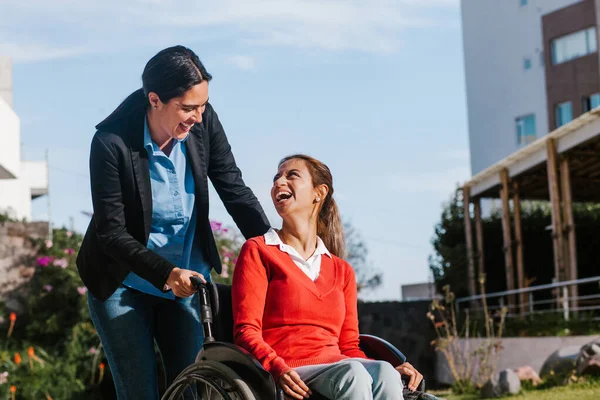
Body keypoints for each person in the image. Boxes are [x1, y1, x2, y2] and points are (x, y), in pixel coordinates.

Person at [76, 45, 270, 399]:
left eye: (203, 105)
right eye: (188, 108)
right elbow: (111, 232)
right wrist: (165, 274)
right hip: (123, 284)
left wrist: (275, 251)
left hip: (188, 280)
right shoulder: (110, 143)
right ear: (155, 100)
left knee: (192, 389)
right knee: (140, 393)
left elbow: (233, 187)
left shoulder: (203, 123)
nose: (198, 116)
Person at [231, 154, 424, 400]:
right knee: (352, 373)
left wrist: (382, 370)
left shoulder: (342, 270)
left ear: (318, 193)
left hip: (340, 367)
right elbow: (246, 331)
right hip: (288, 370)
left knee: (385, 371)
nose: (279, 182)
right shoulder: (258, 250)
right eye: (276, 177)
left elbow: (349, 346)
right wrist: (275, 366)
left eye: (291, 175)